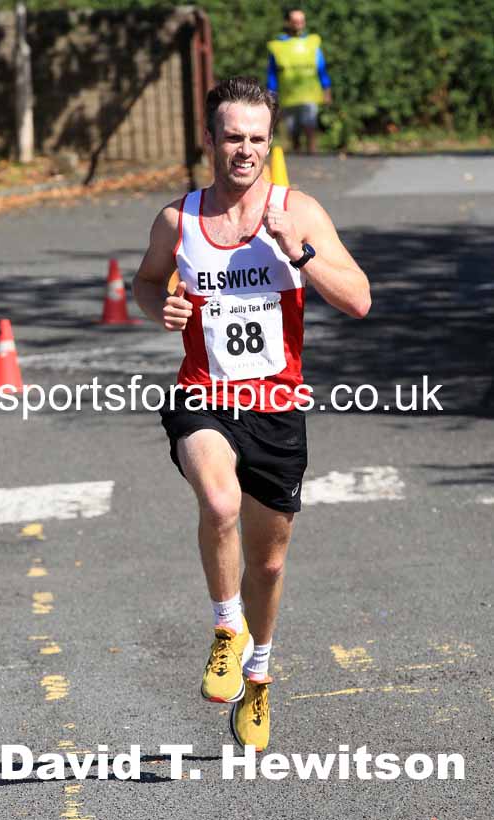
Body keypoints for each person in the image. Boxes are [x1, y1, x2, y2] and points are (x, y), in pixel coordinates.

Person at [133, 76, 370, 751]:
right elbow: (147, 285)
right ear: (208, 140)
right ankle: (225, 629)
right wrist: (163, 309)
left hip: (275, 409)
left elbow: (357, 300)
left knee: (266, 564)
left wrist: (298, 252)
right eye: (232, 137)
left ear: (271, 143)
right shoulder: (178, 220)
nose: (244, 151)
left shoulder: (298, 211)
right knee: (218, 502)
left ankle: (259, 673)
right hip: (202, 396)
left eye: (257, 140)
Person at [267, 7, 332, 154]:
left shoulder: (312, 42)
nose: (299, 24)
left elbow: (321, 68)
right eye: (295, 21)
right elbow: (272, 72)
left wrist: (326, 89)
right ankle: (298, 153)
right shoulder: (277, 46)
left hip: (310, 93)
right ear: (288, 23)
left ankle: (312, 151)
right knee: (292, 128)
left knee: (310, 124)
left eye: (301, 21)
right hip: (288, 94)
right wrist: (271, 93)